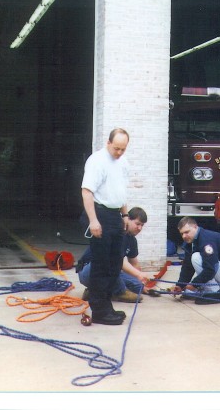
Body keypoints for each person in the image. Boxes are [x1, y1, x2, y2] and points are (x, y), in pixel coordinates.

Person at [80, 128, 131, 325]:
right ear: (108, 142)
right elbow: (86, 192)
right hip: (100, 214)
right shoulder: (97, 161)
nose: (119, 153)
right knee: (101, 264)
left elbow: (122, 190)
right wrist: (93, 221)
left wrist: (125, 214)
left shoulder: (123, 162)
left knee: (114, 262)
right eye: (116, 148)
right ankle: (99, 311)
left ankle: (107, 305)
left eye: (123, 149)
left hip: (115, 215)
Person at [77, 206, 152, 303]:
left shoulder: (132, 240)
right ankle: (119, 292)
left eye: (142, 225)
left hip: (105, 270)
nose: (139, 228)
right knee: (112, 262)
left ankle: (93, 291)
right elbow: (118, 262)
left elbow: (134, 263)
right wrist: (139, 274)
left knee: (138, 287)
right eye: (137, 224)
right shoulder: (117, 233)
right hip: (88, 270)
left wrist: (141, 282)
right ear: (127, 219)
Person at [171, 217, 220, 305]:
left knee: (196, 257)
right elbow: (187, 266)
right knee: (189, 290)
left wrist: (193, 285)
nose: (184, 236)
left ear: (195, 227)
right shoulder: (192, 241)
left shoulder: (206, 240)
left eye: (187, 232)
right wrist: (180, 285)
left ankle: (214, 293)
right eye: (182, 234)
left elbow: (210, 269)